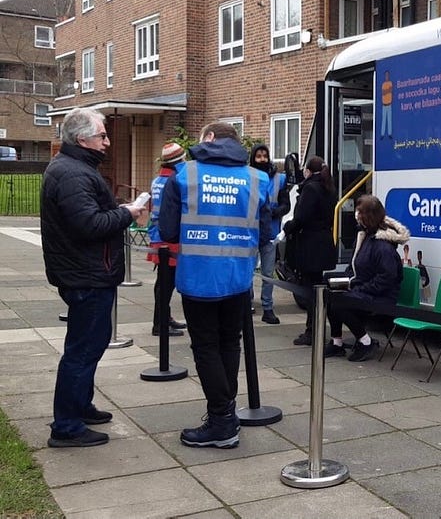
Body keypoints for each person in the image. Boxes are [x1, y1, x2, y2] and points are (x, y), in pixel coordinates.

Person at [159, 121, 270, 449]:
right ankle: (226, 414)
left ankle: (222, 421)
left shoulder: (184, 175)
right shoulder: (257, 178)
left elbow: (167, 232)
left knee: (206, 347)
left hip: (198, 278)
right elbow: (264, 234)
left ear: (208, 138)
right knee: (229, 344)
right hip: (238, 278)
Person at [41, 107, 146, 448]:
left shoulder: (74, 169)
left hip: (86, 273)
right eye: (102, 135)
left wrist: (119, 211)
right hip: (86, 276)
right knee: (82, 351)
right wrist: (127, 213)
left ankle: (80, 406)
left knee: (90, 345)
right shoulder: (72, 174)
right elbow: (90, 225)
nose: (107, 141)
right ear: (82, 138)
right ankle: (67, 427)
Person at [324, 194, 409, 362]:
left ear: (368, 217)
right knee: (331, 295)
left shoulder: (383, 247)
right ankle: (337, 342)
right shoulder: (366, 237)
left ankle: (365, 342)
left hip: (381, 297)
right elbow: (355, 267)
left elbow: (386, 279)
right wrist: (344, 282)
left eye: (359, 212)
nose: (356, 215)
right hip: (365, 290)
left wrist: (357, 288)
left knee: (340, 303)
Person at [289, 156, 340, 347]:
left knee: (310, 290)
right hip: (324, 242)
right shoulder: (328, 187)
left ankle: (312, 331)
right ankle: (315, 328)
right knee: (316, 287)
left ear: (308, 170)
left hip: (311, 245)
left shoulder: (310, 188)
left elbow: (302, 216)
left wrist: (287, 229)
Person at [148, 142, 188, 337]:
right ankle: (160, 324)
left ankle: (165, 318)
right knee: (166, 285)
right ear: (178, 161)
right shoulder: (175, 182)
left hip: (157, 236)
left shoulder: (157, 181)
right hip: (169, 239)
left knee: (162, 282)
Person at [249, 143, 291, 324]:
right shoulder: (247, 177)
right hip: (250, 232)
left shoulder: (279, 179)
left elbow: (286, 205)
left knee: (267, 273)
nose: (262, 159)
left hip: (271, 232)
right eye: (258, 156)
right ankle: (247, 303)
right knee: (247, 272)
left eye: (264, 156)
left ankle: (268, 308)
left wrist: (273, 212)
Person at [380, 70, 393, 140]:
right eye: (386, 75)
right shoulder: (383, 84)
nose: (387, 76)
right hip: (384, 104)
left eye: (388, 75)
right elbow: (383, 93)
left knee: (389, 120)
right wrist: (387, 90)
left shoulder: (390, 83)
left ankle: (389, 134)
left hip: (389, 104)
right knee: (384, 120)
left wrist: (386, 91)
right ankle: (382, 134)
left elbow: (389, 91)